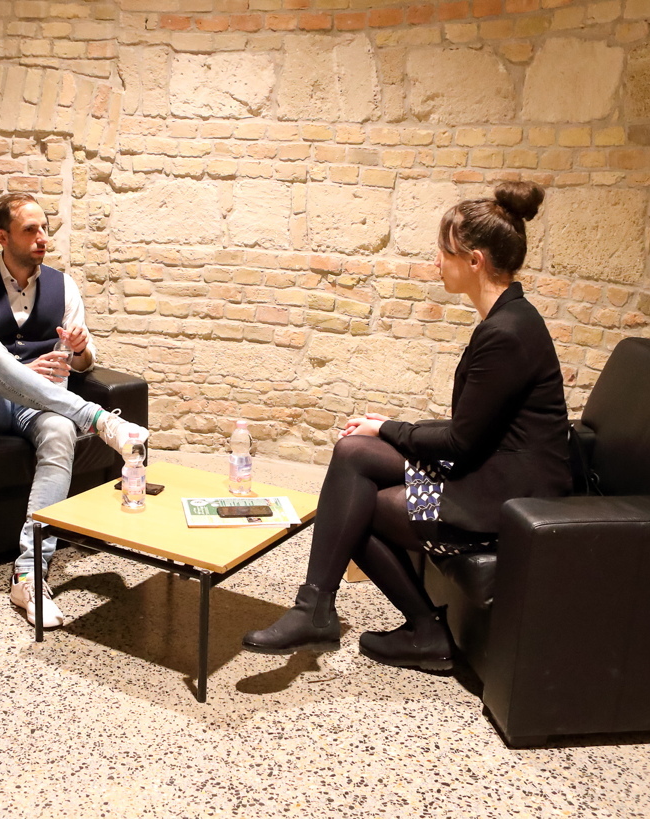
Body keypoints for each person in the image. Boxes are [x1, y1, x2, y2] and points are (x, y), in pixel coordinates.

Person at [242, 182, 571, 670]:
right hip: (490, 470)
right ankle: (315, 609)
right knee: (354, 452)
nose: (437, 262)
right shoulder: (510, 318)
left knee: (362, 507)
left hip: (504, 496)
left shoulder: (507, 333)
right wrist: (382, 429)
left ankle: (421, 629)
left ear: (475, 261)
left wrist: (390, 428)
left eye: (445, 252)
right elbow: (475, 427)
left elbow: (461, 440)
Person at [0, 192, 148, 629]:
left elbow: (85, 362)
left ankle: (28, 575)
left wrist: (78, 351)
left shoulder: (63, 286)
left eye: (45, 228)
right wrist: (19, 371)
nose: (42, 238)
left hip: (40, 406)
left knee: (60, 431)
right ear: (2, 237)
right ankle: (97, 418)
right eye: (30, 230)